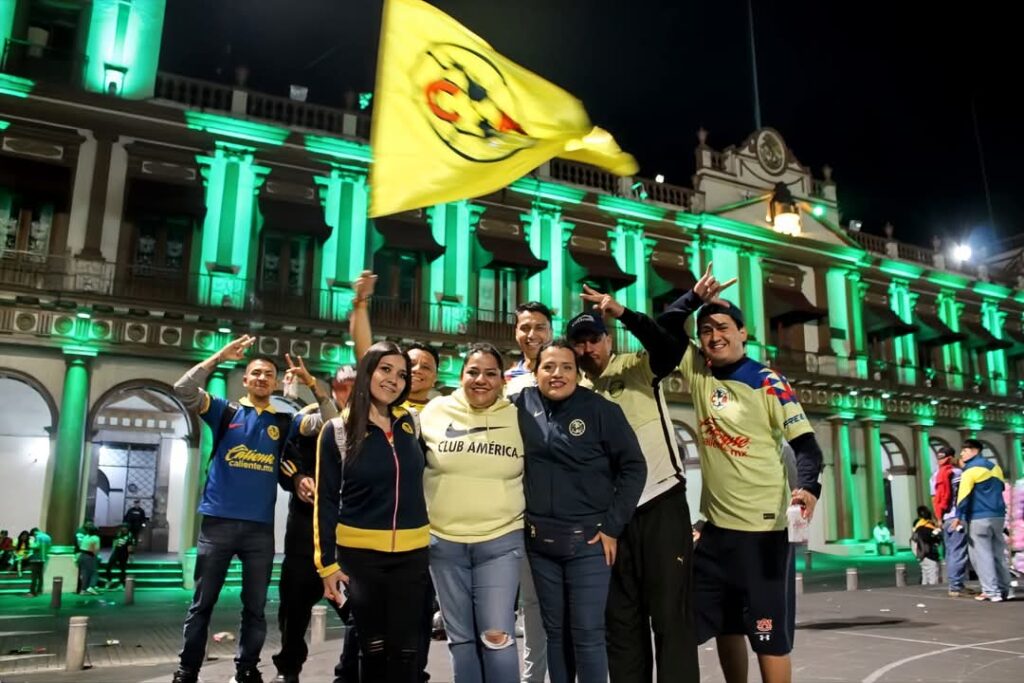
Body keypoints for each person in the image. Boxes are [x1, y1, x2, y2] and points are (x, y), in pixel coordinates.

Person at [665, 265, 824, 683]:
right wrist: (694, 299)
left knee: (770, 637)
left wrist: (806, 489)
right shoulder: (698, 372)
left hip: (764, 534)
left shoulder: (769, 382)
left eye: (722, 327)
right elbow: (664, 327)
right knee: (724, 625)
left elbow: (807, 447)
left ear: (742, 333)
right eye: (705, 330)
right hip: (716, 533)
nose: (713, 336)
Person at [564, 284, 697, 683]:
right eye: (580, 344)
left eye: (594, 340)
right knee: (621, 625)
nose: (588, 349)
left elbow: (669, 347)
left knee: (671, 620)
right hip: (611, 523)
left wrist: (623, 312)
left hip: (661, 504)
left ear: (608, 339)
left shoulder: (637, 365)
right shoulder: (576, 392)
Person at [514, 339, 647, 683]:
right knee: (555, 633)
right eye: (549, 367)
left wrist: (613, 527)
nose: (557, 374)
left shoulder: (601, 410)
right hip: (539, 545)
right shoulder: (519, 406)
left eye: (566, 367)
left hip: (588, 544)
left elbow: (634, 467)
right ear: (535, 370)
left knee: (587, 634)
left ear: (577, 373)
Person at [172, 335, 301, 683]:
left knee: (255, 609)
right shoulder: (224, 410)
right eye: (255, 373)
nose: (261, 378)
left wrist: (291, 398)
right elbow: (182, 389)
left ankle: (247, 670)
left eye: (268, 375)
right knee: (202, 605)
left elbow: (315, 424)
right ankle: (187, 670)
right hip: (217, 525)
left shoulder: (283, 422)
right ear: (245, 379)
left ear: (274, 382)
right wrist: (219, 356)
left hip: (259, 530)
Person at [314, 341, 431, 683]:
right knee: (374, 649)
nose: (394, 380)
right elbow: (325, 500)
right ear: (367, 372)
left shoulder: (411, 422)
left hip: (412, 556)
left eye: (401, 375)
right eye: (385, 370)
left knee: (408, 650)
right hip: (360, 560)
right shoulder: (336, 430)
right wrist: (327, 565)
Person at [419, 343, 525, 682]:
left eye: (490, 373)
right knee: (461, 640)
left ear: (502, 380)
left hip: (501, 541)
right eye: (473, 372)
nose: (481, 380)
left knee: (496, 637)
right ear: (460, 376)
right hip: (443, 544)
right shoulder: (434, 410)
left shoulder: (518, 415)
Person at [272, 355, 342, 683]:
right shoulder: (308, 418)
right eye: (342, 385)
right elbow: (286, 457)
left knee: (359, 613)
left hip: (348, 540)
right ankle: (289, 672)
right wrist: (298, 477)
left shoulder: (371, 422)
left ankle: (352, 672)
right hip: (304, 536)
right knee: (293, 614)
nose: (348, 391)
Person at [502, 301, 554, 683]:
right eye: (524, 327)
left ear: (551, 330)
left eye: (539, 326)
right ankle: (532, 678)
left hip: (567, 506)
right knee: (531, 603)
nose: (531, 334)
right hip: (518, 506)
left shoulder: (568, 371)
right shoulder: (506, 379)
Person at [956, 438, 1012, 602]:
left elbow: (963, 496)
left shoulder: (970, 471)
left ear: (975, 451)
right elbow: (1001, 488)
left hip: (979, 517)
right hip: (998, 516)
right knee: (998, 554)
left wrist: (959, 517)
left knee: (982, 555)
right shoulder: (995, 468)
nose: (962, 454)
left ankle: (990, 591)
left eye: (965, 450)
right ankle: (1004, 590)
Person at [931, 445, 970, 597]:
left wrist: (938, 519)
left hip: (945, 519)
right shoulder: (958, 473)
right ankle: (956, 586)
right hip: (958, 518)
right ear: (951, 457)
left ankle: (955, 584)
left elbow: (935, 499)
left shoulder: (935, 476)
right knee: (958, 552)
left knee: (950, 552)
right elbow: (965, 495)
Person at [911, 506, 942, 585]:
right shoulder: (928, 527)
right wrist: (937, 533)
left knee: (925, 576)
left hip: (921, 555)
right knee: (933, 579)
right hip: (930, 555)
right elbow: (936, 540)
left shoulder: (917, 527)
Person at [76, 522, 101, 595]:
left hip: (82, 555)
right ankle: (91, 587)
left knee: (84, 573)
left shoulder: (85, 536)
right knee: (94, 572)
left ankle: (83, 589)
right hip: (89, 556)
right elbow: (96, 549)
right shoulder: (96, 538)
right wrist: (97, 557)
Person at [26, 527, 51, 596]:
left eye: (33, 535)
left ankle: (32, 592)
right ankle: (39, 590)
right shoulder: (48, 537)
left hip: (36, 558)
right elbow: (49, 547)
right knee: (40, 576)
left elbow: (37, 546)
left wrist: (30, 545)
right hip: (43, 558)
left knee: (34, 576)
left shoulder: (38, 536)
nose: (34, 537)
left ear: (34, 532)